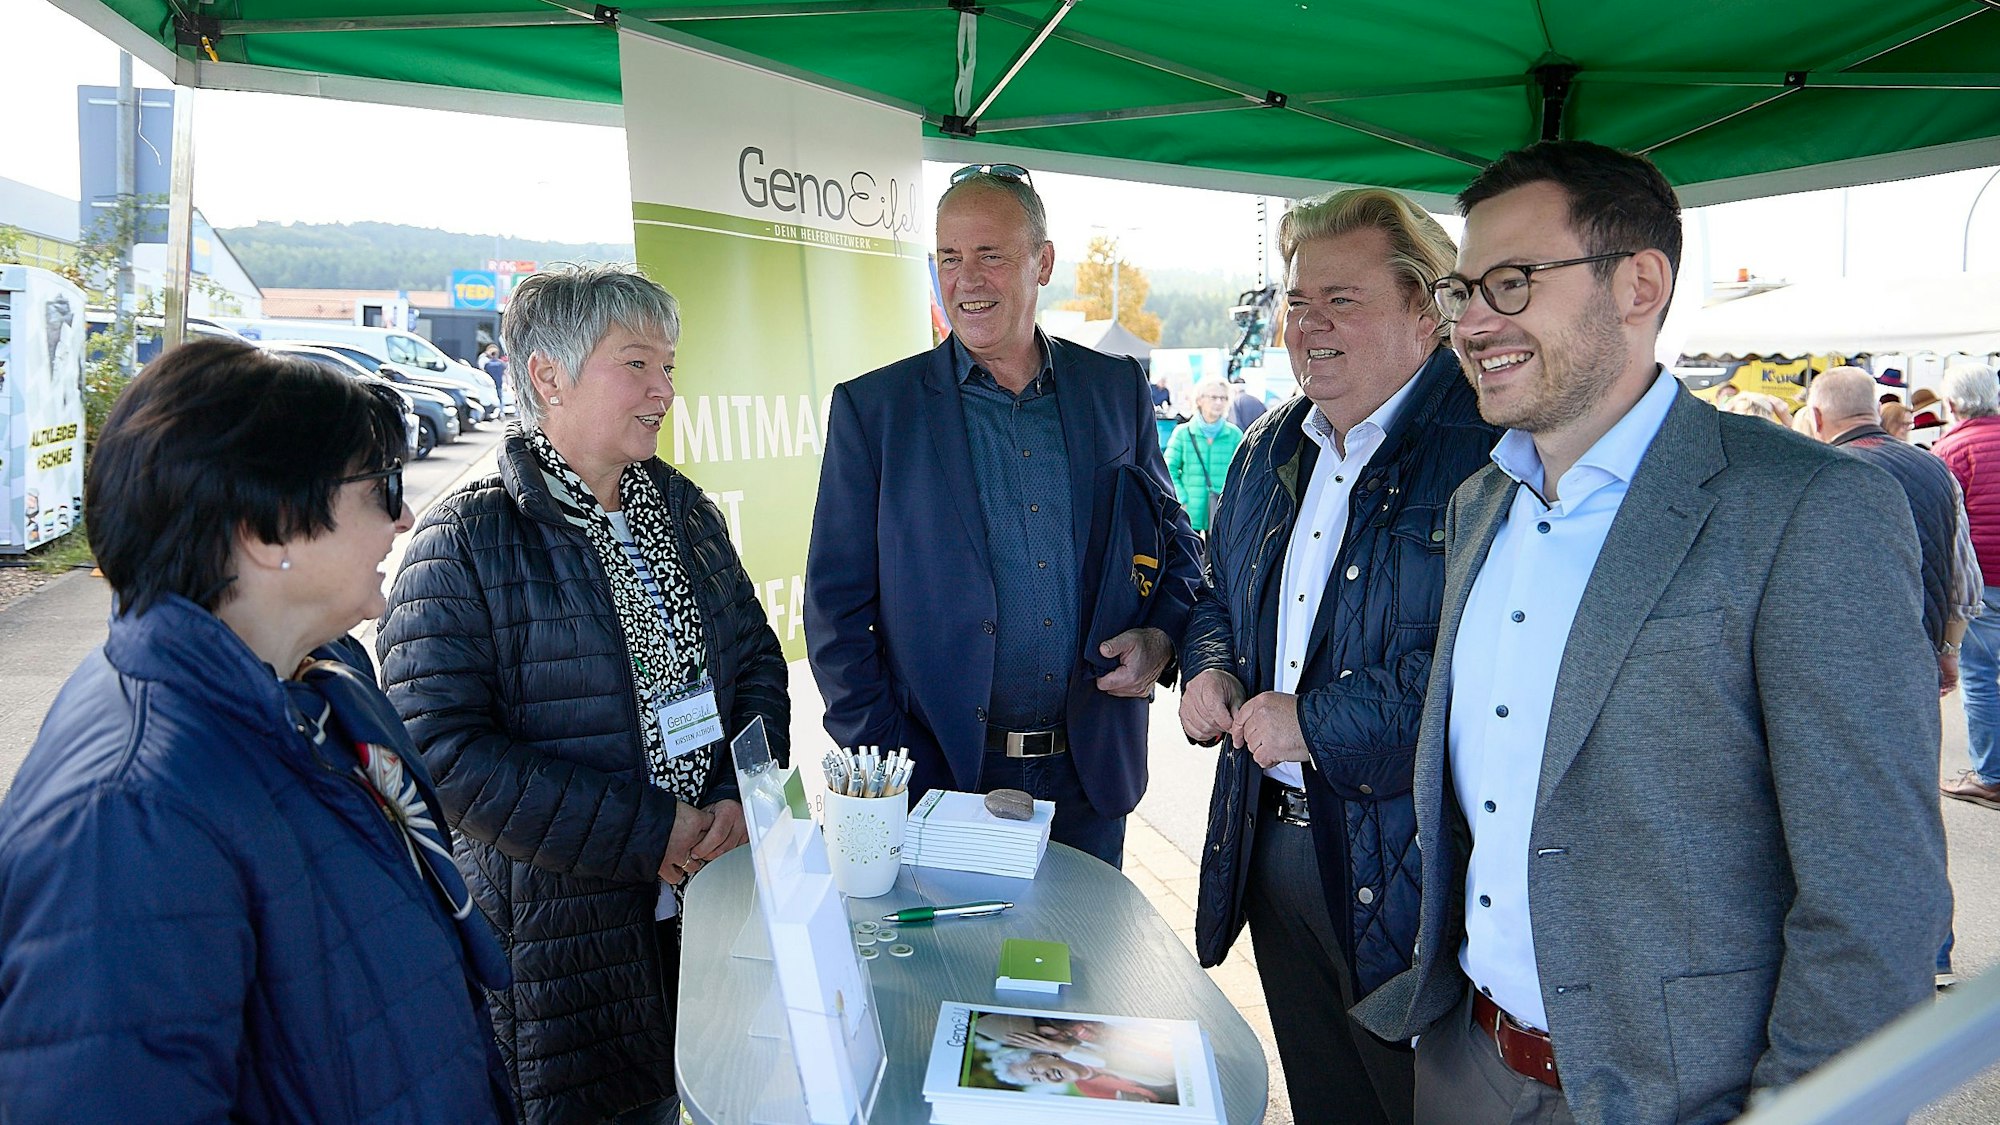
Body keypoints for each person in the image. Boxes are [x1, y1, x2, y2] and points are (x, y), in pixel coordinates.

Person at [1352, 140, 1949, 1124]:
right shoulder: (1477, 506)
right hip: (1462, 1065)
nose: (1471, 325)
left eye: (1510, 282)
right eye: (1461, 292)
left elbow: (1875, 899)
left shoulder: (1805, 509)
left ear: (1637, 284)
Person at [0, 338, 512, 1122]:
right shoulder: (127, 813)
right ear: (265, 528)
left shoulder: (322, 679)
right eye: (381, 488)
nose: (404, 515)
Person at [379, 264, 788, 1124]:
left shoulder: (681, 510)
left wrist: (735, 796)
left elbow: (756, 661)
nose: (664, 392)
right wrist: (653, 831)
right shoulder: (466, 542)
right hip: (562, 951)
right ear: (547, 376)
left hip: (706, 909)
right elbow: (443, 754)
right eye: (638, 365)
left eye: (669, 367)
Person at [1178, 187, 1499, 1125]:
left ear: (1425, 307)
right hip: (1278, 850)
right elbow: (1215, 592)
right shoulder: (1269, 444)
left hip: (1416, 870)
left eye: (1341, 300)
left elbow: (1482, 678)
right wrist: (1209, 665)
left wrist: (1311, 722)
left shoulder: (1488, 447)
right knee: (1326, 1101)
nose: (1307, 325)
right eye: (1295, 300)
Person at [805, 164, 1201, 867]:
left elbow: (1173, 544)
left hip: (1089, 779)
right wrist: (898, 758)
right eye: (949, 259)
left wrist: (1162, 639)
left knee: (1085, 973)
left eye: (991, 254)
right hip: (945, 780)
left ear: (1042, 262)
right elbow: (835, 612)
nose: (967, 279)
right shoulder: (876, 412)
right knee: (951, 976)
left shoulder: (1115, 390)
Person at [1807, 366, 1970, 693]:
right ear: (1876, 410)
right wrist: (1950, 649)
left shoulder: (1816, 475)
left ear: (1816, 417)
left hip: (1841, 667)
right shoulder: (1936, 467)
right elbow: (1964, 574)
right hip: (1921, 656)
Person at [1935, 361, 2000, 810]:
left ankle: (1991, 776)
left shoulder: (1951, 449)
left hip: (1987, 578)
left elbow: (1947, 528)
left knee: (1980, 674)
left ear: (1953, 403)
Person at [1163, 375, 1245, 538]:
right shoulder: (1183, 433)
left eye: (1223, 398)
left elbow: (1243, 472)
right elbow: (1168, 470)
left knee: (1216, 561)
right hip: (1189, 513)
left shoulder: (1234, 434)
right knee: (1189, 559)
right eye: (1214, 397)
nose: (1219, 402)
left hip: (1222, 512)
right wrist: (1182, 500)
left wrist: (1233, 500)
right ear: (1199, 400)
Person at [481, 343, 509, 409]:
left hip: (491, 385)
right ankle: (501, 412)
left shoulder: (487, 364)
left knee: (492, 399)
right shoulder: (501, 363)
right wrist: (507, 383)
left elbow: (484, 373)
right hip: (499, 383)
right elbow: (505, 374)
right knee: (500, 398)